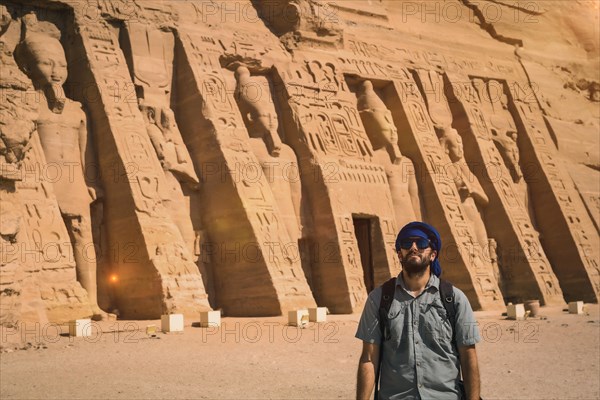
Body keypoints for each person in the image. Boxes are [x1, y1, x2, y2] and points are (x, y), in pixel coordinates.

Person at [356, 221, 481, 400]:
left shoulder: (454, 298)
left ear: (433, 255)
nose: (414, 248)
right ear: (400, 254)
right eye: (407, 244)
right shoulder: (379, 299)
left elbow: (469, 357)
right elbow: (369, 359)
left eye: (421, 243)